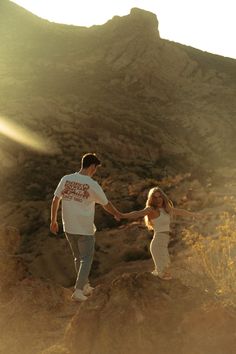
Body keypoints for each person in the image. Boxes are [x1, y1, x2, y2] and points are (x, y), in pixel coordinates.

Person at [50, 153, 121, 301]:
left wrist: (53, 221)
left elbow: (56, 199)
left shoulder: (66, 179)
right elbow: (106, 204)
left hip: (68, 226)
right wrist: (117, 213)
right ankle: (78, 291)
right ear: (92, 167)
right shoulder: (92, 185)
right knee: (86, 259)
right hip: (84, 228)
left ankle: (85, 285)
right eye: (95, 168)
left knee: (78, 257)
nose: (95, 171)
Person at [120, 186, 201, 280]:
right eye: (155, 197)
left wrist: (194, 215)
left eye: (160, 197)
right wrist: (122, 215)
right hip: (158, 243)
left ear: (163, 197)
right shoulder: (151, 210)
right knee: (164, 271)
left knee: (167, 267)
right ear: (151, 199)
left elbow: (180, 211)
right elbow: (137, 213)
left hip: (163, 242)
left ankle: (161, 286)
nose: (158, 199)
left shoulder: (167, 209)